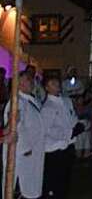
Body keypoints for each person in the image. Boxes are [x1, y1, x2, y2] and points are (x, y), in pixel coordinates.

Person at [3, 68, 45, 199]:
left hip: (33, 153)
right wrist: (11, 124)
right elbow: (11, 126)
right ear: (19, 84)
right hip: (22, 154)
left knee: (31, 188)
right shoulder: (18, 101)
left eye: (29, 79)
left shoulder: (31, 100)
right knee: (20, 188)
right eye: (26, 80)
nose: (30, 82)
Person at [40, 73, 79, 199]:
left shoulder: (66, 101)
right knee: (54, 183)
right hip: (54, 150)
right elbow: (47, 130)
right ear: (46, 87)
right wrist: (69, 133)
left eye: (57, 83)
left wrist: (76, 127)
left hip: (68, 146)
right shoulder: (47, 107)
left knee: (65, 181)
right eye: (52, 84)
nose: (56, 86)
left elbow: (72, 117)